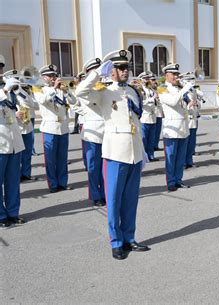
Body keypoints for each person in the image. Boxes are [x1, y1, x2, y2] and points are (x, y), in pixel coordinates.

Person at [75, 49, 150, 260]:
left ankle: (129, 237)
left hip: (134, 152)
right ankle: (116, 242)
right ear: (112, 71)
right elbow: (80, 92)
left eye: (127, 67)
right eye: (120, 68)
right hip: (115, 152)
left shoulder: (134, 91)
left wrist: (142, 150)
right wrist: (98, 73)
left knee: (130, 200)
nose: (125, 71)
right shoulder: (104, 91)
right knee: (114, 199)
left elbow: (135, 122)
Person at [72, 58, 106, 207]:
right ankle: (95, 194)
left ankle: (106, 192)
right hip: (92, 134)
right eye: (95, 70)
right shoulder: (85, 88)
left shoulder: (104, 87)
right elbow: (82, 93)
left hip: (107, 133)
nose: (99, 73)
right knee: (93, 167)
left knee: (105, 167)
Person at [35, 64, 74, 193]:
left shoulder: (61, 89)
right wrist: (54, 88)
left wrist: (66, 91)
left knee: (62, 158)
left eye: (54, 75)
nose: (53, 78)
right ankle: (53, 184)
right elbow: (43, 101)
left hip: (62, 127)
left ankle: (63, 182)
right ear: (43, 77)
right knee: (51, 159)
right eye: (50, 76)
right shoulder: (39, 89)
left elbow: (74, 102)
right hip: (50, 128)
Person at [158, 63, 193, 192]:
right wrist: (185, 89)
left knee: (180, 157)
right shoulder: (162, 88)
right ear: (166, 75)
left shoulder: (179, 88)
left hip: (183, 127)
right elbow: (172, 102)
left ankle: (178, 180)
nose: (176, 76)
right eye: (173, 74)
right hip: (171, 128)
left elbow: (183, 104)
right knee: (171, 157)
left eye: (177, 74)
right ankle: (171, 182)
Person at [0, 77, 26, 227]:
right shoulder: (4, 91)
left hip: (14, 141)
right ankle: (1, 216)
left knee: (13, 181)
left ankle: (13, 213)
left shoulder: (9, 92)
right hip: (1, 143)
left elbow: (27, 104)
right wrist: (4, 91)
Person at [182, 72, 203, 169]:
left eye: (193, 79)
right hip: (187, 119)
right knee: (186, 143)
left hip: (194, 118)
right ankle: (184, 162)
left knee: (192, 143)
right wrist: (189, 105)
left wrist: (197, 104)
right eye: (190, 80)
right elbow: (181, 106)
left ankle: (189, 161)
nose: (192, 82)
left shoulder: (193, 90)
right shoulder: (183, 91)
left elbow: (198, 103)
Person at [137, 71, 157, 161]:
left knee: (151, 139)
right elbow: (141, 103)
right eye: (144, 78)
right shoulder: (140, 90)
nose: (146, 80)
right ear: (140, 80)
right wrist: (151, 100)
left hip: (152, 116)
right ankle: (144, 157)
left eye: (147, 78)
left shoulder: (150, 89)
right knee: (144, 139)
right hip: (145, 117)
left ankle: (151, 155)